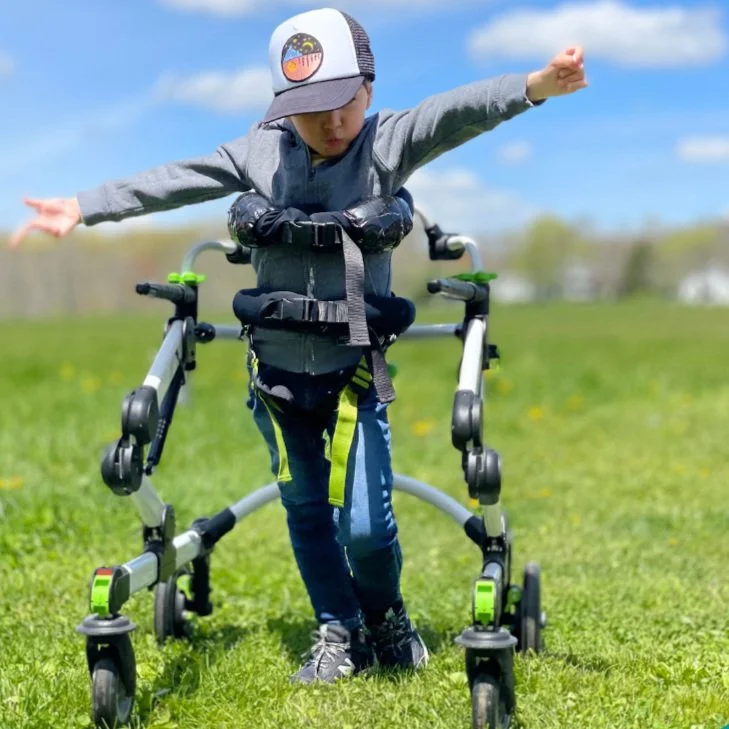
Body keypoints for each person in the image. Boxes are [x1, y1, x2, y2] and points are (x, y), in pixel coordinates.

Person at [10, 7, 587, 684]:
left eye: (343, 103)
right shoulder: (260, 152)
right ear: (285, 107)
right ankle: (337, 629)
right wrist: (84, 205)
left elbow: (457, 112)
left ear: (367, 89)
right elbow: (177, 177)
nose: (331, 123)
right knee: (307, 512)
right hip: (277, 380)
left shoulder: (386, 145)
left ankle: (386, 617)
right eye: (312, 111)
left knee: (367, 527)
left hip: (353, 379)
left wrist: (535, 86)